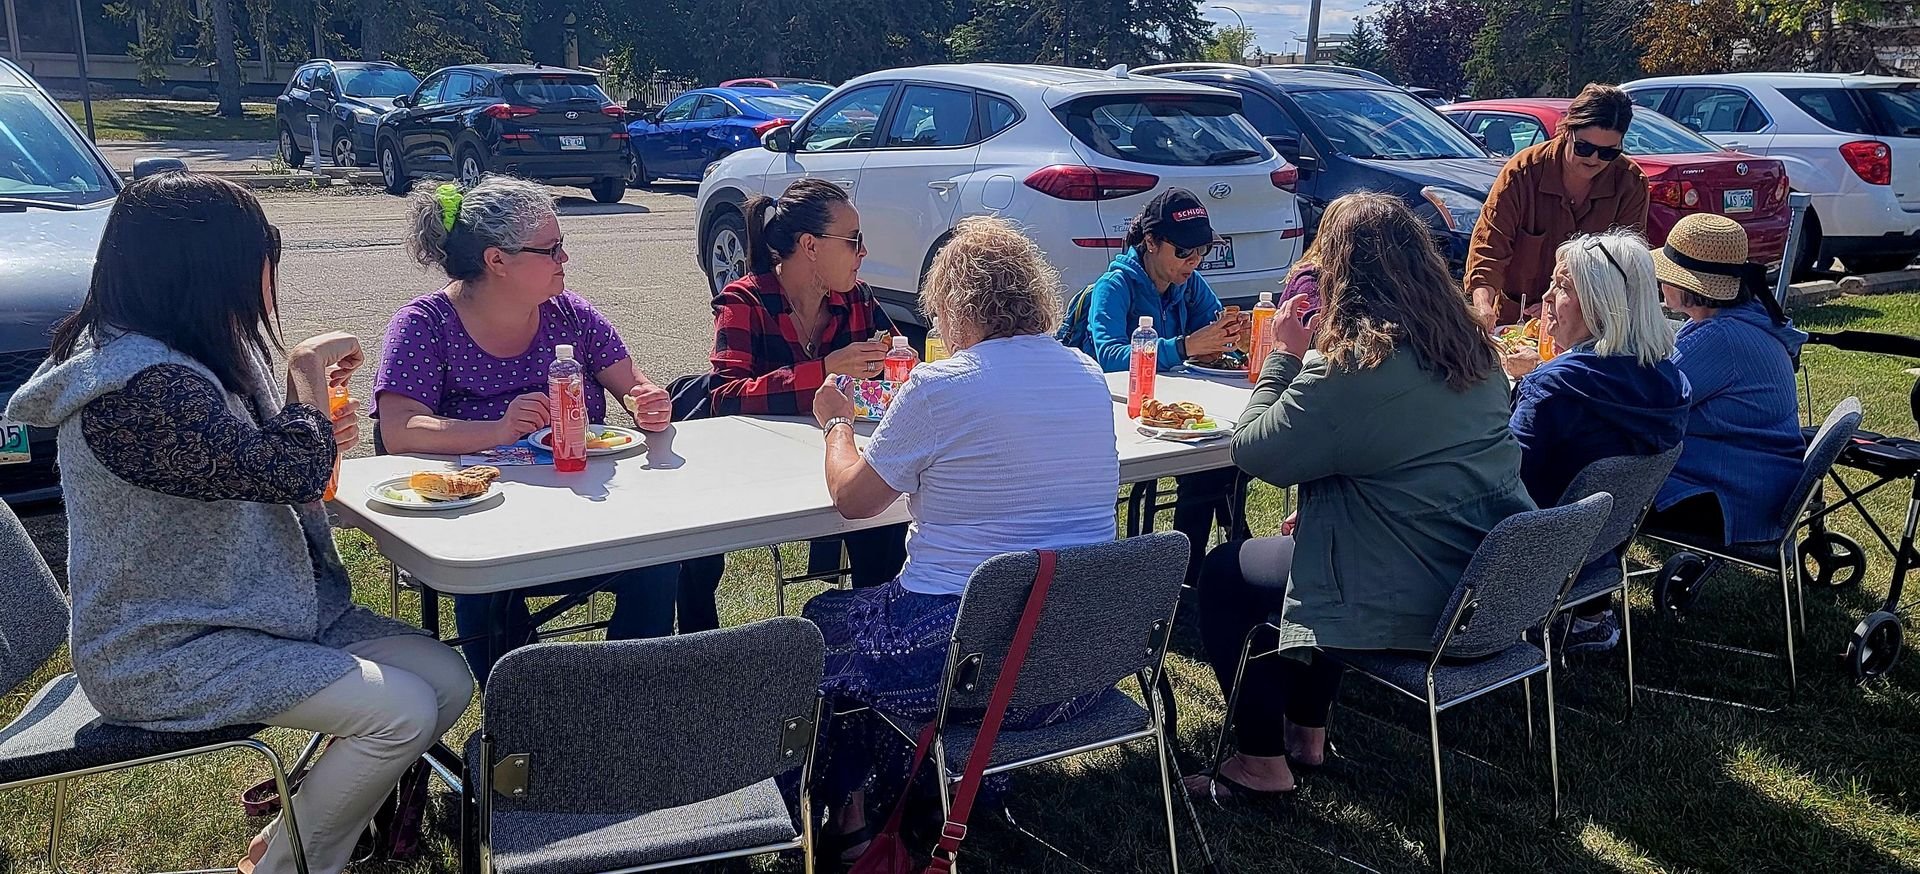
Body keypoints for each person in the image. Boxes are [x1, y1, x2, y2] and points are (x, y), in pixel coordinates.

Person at [4, 172, 473, 874]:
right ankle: (296, 865)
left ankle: (289, 846)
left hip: (246, 612)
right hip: (162, 648)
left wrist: (304, 423)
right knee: (401, 711)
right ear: (207, 267)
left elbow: (275, 462)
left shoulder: (181, 352)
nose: (270, 271)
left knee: (445, 680)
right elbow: (293, 472)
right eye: (265, 251)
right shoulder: (140, 388)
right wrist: (307, 373)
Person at [1185, 193, 1533, 801]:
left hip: (1410, 594)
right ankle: (1307, 733)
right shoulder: (1471, 347)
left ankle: (1260, 762)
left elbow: (1254, 450)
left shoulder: (1354, 364)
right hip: (1482, 579)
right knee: (1313, 545)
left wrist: (1287, 357)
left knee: (1226, 573)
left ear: (1338, 270)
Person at [803, 216, 1121, 861]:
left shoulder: (943, 384)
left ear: (950, 304)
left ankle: (851, 817)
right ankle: (938, 790)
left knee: (824, 627)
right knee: (879, 626)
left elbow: (853, 501)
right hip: (1079, 659)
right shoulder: (1086, 374)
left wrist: (837, 425)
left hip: (966, 665)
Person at [374, 174, 678, 686]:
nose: (565, 260)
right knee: (488, 583)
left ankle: (620, 703)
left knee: (656, 561)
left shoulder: (571, 314)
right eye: (552, 249)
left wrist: (647, 403)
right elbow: (400, 429)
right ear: (497, 260)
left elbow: (633, 385)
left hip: (578, 506)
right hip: (480, 518)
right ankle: (525, 721)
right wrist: (497, 429)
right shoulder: (425, 324)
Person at [678, 178, 907, 632]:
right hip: (748, 470)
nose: (863, 252)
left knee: (885, 523)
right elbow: (724, 396)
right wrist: (824, 369)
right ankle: (699, 659)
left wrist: (897, 362)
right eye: (853, 241)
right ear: (810, 245)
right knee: (697, 556)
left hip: (830, 458)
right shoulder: (745, 299)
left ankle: (867, 648)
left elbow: (890, 358)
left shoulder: (855, 298)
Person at [1503, 230, 1690, 651]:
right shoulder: (1670, 382)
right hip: (1595, 555)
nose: (1546, 297)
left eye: (1562, 287)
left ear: (1603, 305)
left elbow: (1501, 484)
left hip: (1518, 567)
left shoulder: (1555, 391)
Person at [1075, 187, 1246, 583]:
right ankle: (1172, 574)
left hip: (1175, 409)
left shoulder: (1190, 283)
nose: (1194, 261)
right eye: (1184, 252)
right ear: (1150, 243)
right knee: (1213, 466)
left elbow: (1213, 331)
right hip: (1117, 414)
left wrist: (1227, 339)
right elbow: (1108, 359)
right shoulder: (1114, 286)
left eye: (1202, 251)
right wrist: (1184, 346)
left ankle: (1188, 572)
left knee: (1216, 465)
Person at [1646, 213, 1807, 546]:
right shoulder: (1736, 322)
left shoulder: (1720, 338)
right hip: (1758, 485)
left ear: (1688, 285)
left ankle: (1581, 586)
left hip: (1734, 500)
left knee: (1601, 482)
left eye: (1666, 275)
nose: (1660, 283)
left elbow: (1647, 402)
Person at [1466, 83, 1651, 328]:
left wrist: (1560, 302)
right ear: (1566, 131)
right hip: (1516, 323)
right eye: (1584, 148)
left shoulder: (1631, 183)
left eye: (1608, 153)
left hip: (1589, 326)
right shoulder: (1521, 173)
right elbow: (1488, 250)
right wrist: (1483, 307)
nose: (1594, 159)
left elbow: (1625, 266)